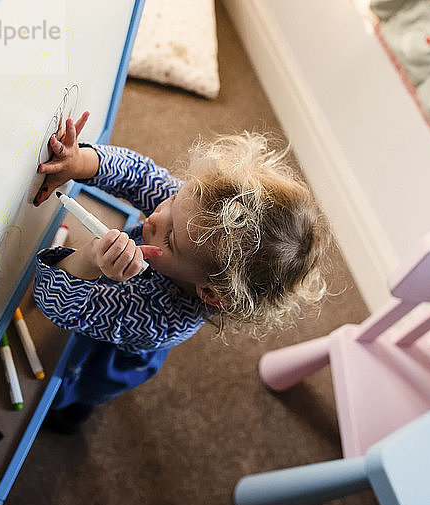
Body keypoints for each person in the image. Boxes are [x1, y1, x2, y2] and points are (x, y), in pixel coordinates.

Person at [33, 111, 332, 433]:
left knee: (80, 387)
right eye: (174, 198)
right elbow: (139, 175)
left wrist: (90, 261)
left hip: (112, 352)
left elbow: (65, 308)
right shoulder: (193, 212)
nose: (155, 216)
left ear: (209, 291)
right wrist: (81, 162)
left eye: (170, 239)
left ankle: (70, 416)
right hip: (121, 293)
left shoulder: (157, 321)